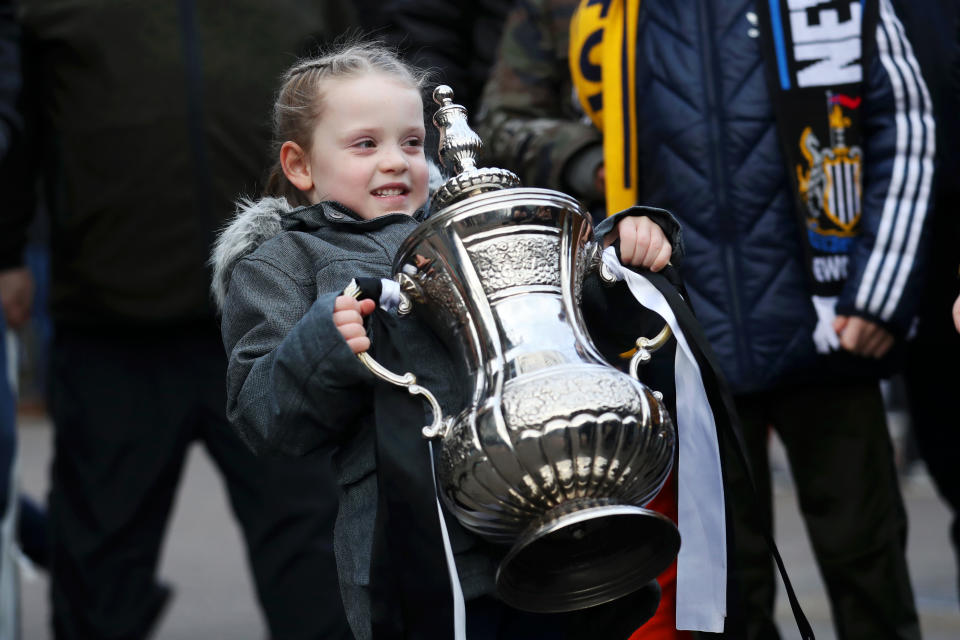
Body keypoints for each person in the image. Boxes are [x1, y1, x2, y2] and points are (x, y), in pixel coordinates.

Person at [477, 0, 931, 638]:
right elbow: (504, 120)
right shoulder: (584, 10)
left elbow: (901, 123)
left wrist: (878, 291)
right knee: (725, 590)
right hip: (681, 336)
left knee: (868, 567)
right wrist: (599, 165)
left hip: (826, 323)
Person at [213, 40, 694, 640]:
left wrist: (623, 256)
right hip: (417, 555)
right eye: (366, 144)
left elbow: (578, 315)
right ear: (300, 165)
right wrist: (325, 336)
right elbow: (264, 417)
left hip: (555, 525)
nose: (395, 161)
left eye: (411, 143)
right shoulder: (282, 261)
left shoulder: (480, 228)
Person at [5, 2, 363, 637]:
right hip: (113, 321)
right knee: (99, 567)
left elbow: (365, 98)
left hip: (278, 319)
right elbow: (17, 116)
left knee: (316, 567)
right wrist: (6, 249)